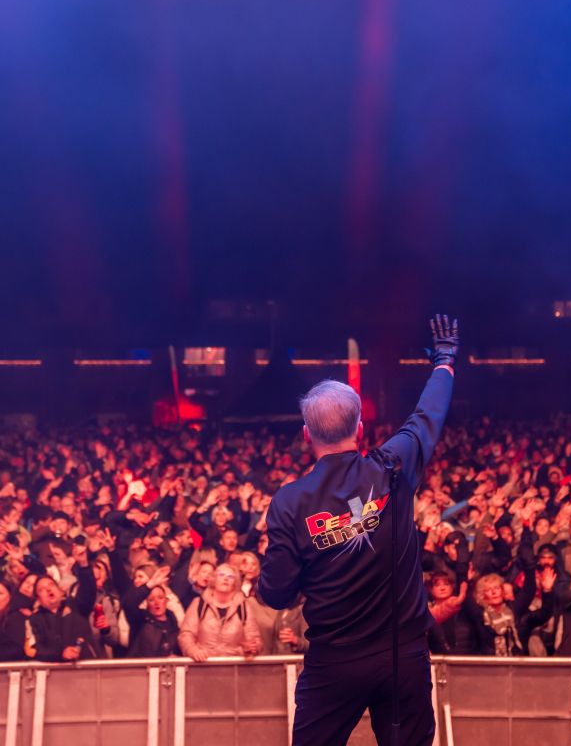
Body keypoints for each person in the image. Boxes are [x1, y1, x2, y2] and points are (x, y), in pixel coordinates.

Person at [259, 315, 458, 746]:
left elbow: (276, 594)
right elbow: (428, 416)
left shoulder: (289, 503)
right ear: (360, 428)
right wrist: (444, 361)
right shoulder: (391, 468)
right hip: (402, 656)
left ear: (306, 434)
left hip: (334, 662)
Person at [178, 563, 260, 660]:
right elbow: (186, 634)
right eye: (221, 575)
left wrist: (252, 647)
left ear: (235, 583)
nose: (226, 579)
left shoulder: (243, 607)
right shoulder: (199, 604)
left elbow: (254, 638)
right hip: (203, 665)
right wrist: (192, 650)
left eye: (230, 576)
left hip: (234, 665)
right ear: (214, 579)